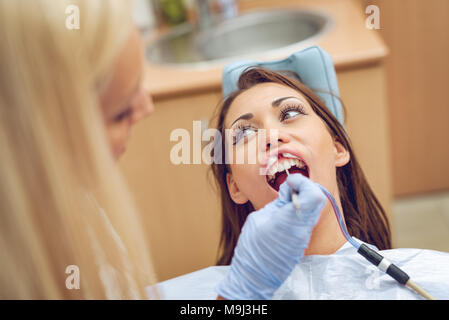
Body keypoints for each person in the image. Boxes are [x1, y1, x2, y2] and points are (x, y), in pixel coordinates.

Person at [209, 67, 449, 300]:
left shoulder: (432, 278)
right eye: (244, 134)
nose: (271, 136)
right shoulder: (214, 292)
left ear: (337, 149)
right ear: (235, 187)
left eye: (290, 114)